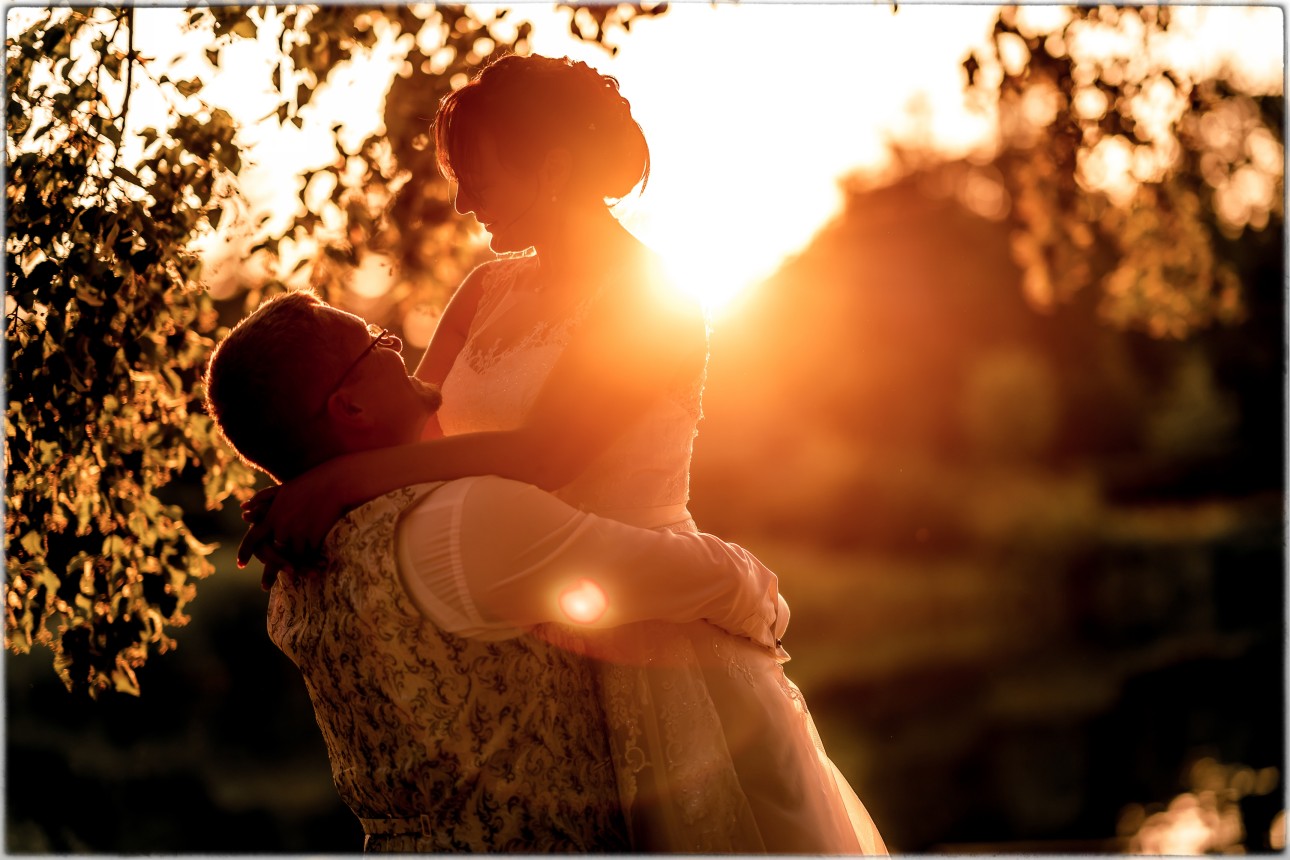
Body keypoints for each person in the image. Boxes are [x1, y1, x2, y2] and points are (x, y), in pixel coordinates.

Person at [239, 54, 886, 852]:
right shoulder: (483, 292)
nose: (461, 201)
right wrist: (304, 488)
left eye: (474, 176)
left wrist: (342, 478)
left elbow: (547, 455)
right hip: (522, 624)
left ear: (549, 168)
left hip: (656, 624)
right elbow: (419, 430)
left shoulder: (656, 299)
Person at [203, 290, 792, 851]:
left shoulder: (293, 565)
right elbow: (703, 578)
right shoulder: (471, 521)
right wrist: (766, 597)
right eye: (375, 343)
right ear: (350, 406)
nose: (398, 347)